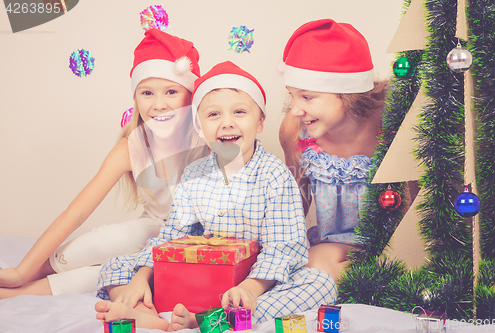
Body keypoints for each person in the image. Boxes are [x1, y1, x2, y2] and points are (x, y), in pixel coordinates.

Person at [94, 61, 336, 331]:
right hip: (205, 274)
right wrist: (142, 276)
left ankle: (215, 319)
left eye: (240, 112)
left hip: (256, 278)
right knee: (116, 265)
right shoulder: (194, 174)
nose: (227, 123)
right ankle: (140, 308)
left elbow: (284, 247)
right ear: (200, 128)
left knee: (320, 283)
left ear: (260, 122)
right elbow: (173, 235)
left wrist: (251, 289)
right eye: (213, 115)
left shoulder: (274, 176)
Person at [0, 29, 208, 299]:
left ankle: (16, 294)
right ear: (136, 98)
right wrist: (21, 271)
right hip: (152, 229)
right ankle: (20, 284)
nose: (159, 104)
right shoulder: (131, 147)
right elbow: (75, 213)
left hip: (196, 239)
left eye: (171, 92)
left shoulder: (206, 140)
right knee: (115, 239)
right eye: (147, 93)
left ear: (190, 96)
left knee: (108, 270)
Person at [279, 19, 389, 282]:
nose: (295, 108)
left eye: (307, 97)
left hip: (393, 245)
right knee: (314, 262)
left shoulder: (393, 123)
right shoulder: (295, 130)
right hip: (336, 246)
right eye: (292, 95)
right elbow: (297, 202)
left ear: (346, 92)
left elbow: (420, 204)